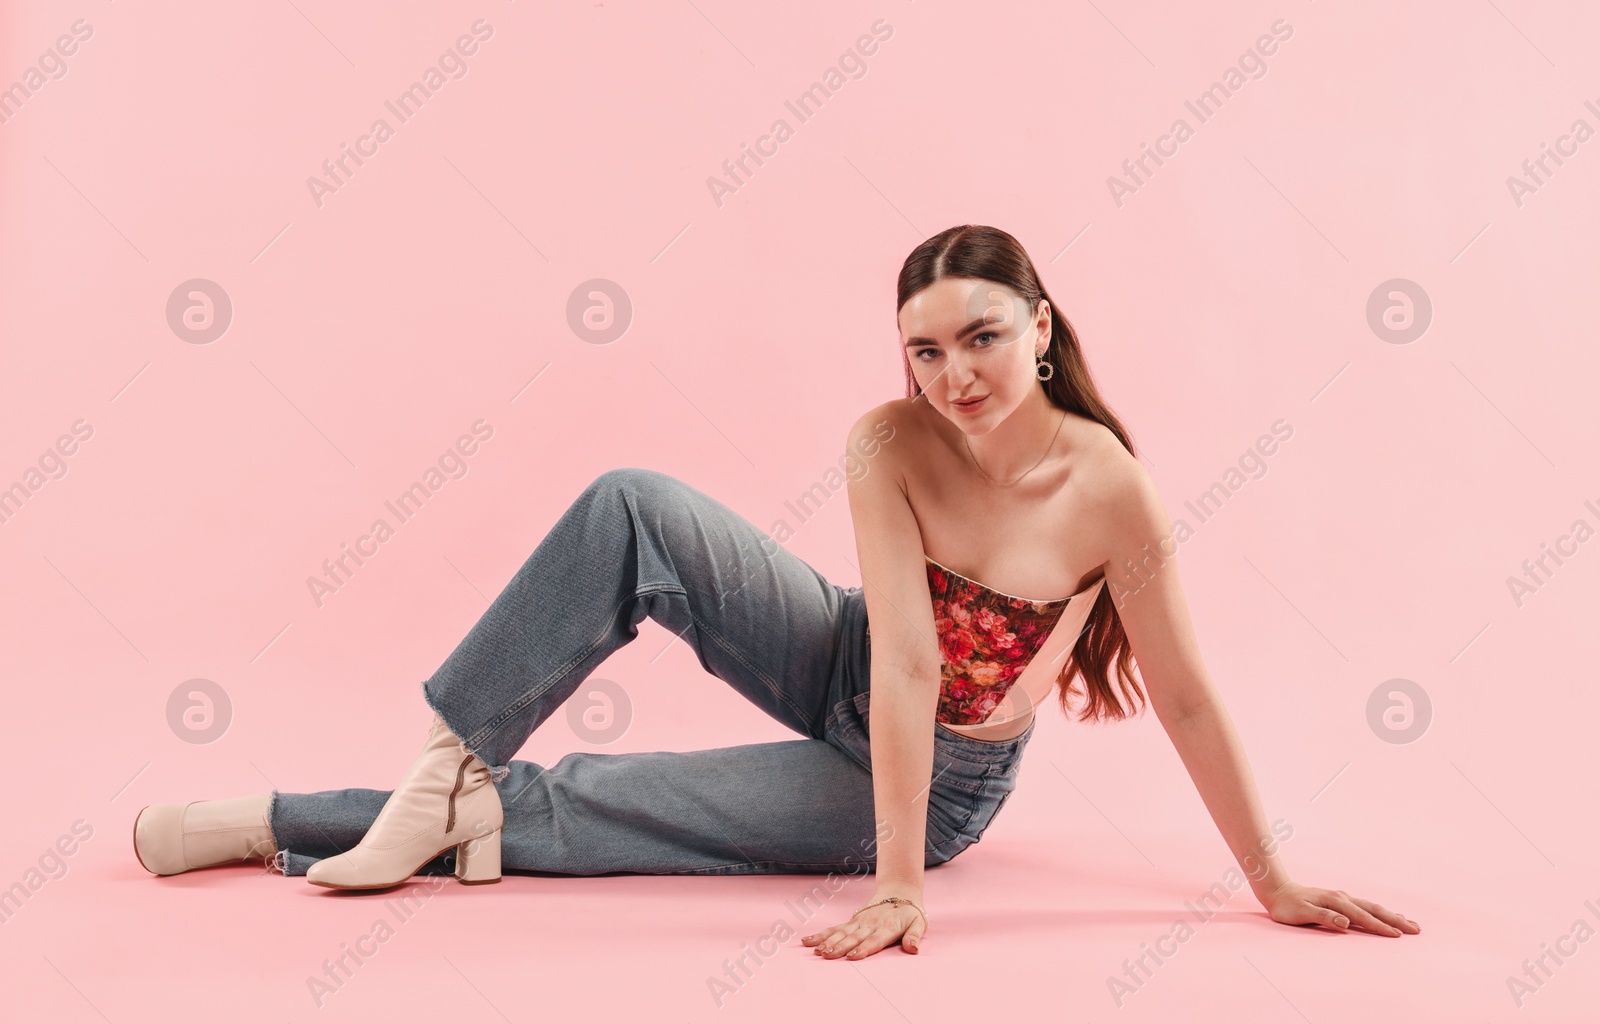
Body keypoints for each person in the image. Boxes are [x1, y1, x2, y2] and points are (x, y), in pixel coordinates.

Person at [132, 224, 1420, 960]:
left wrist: (1269, 878)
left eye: (980, 336)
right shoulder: (888, 437)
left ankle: (268, 817)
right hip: (854, 660)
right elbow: (895, 654)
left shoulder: (1111, 491)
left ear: (1041, 321)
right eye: (926, 349)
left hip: (938, 773)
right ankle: (444, 770)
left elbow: (1185, 696)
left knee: (596, 810)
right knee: (631, 499)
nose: (953, 375)